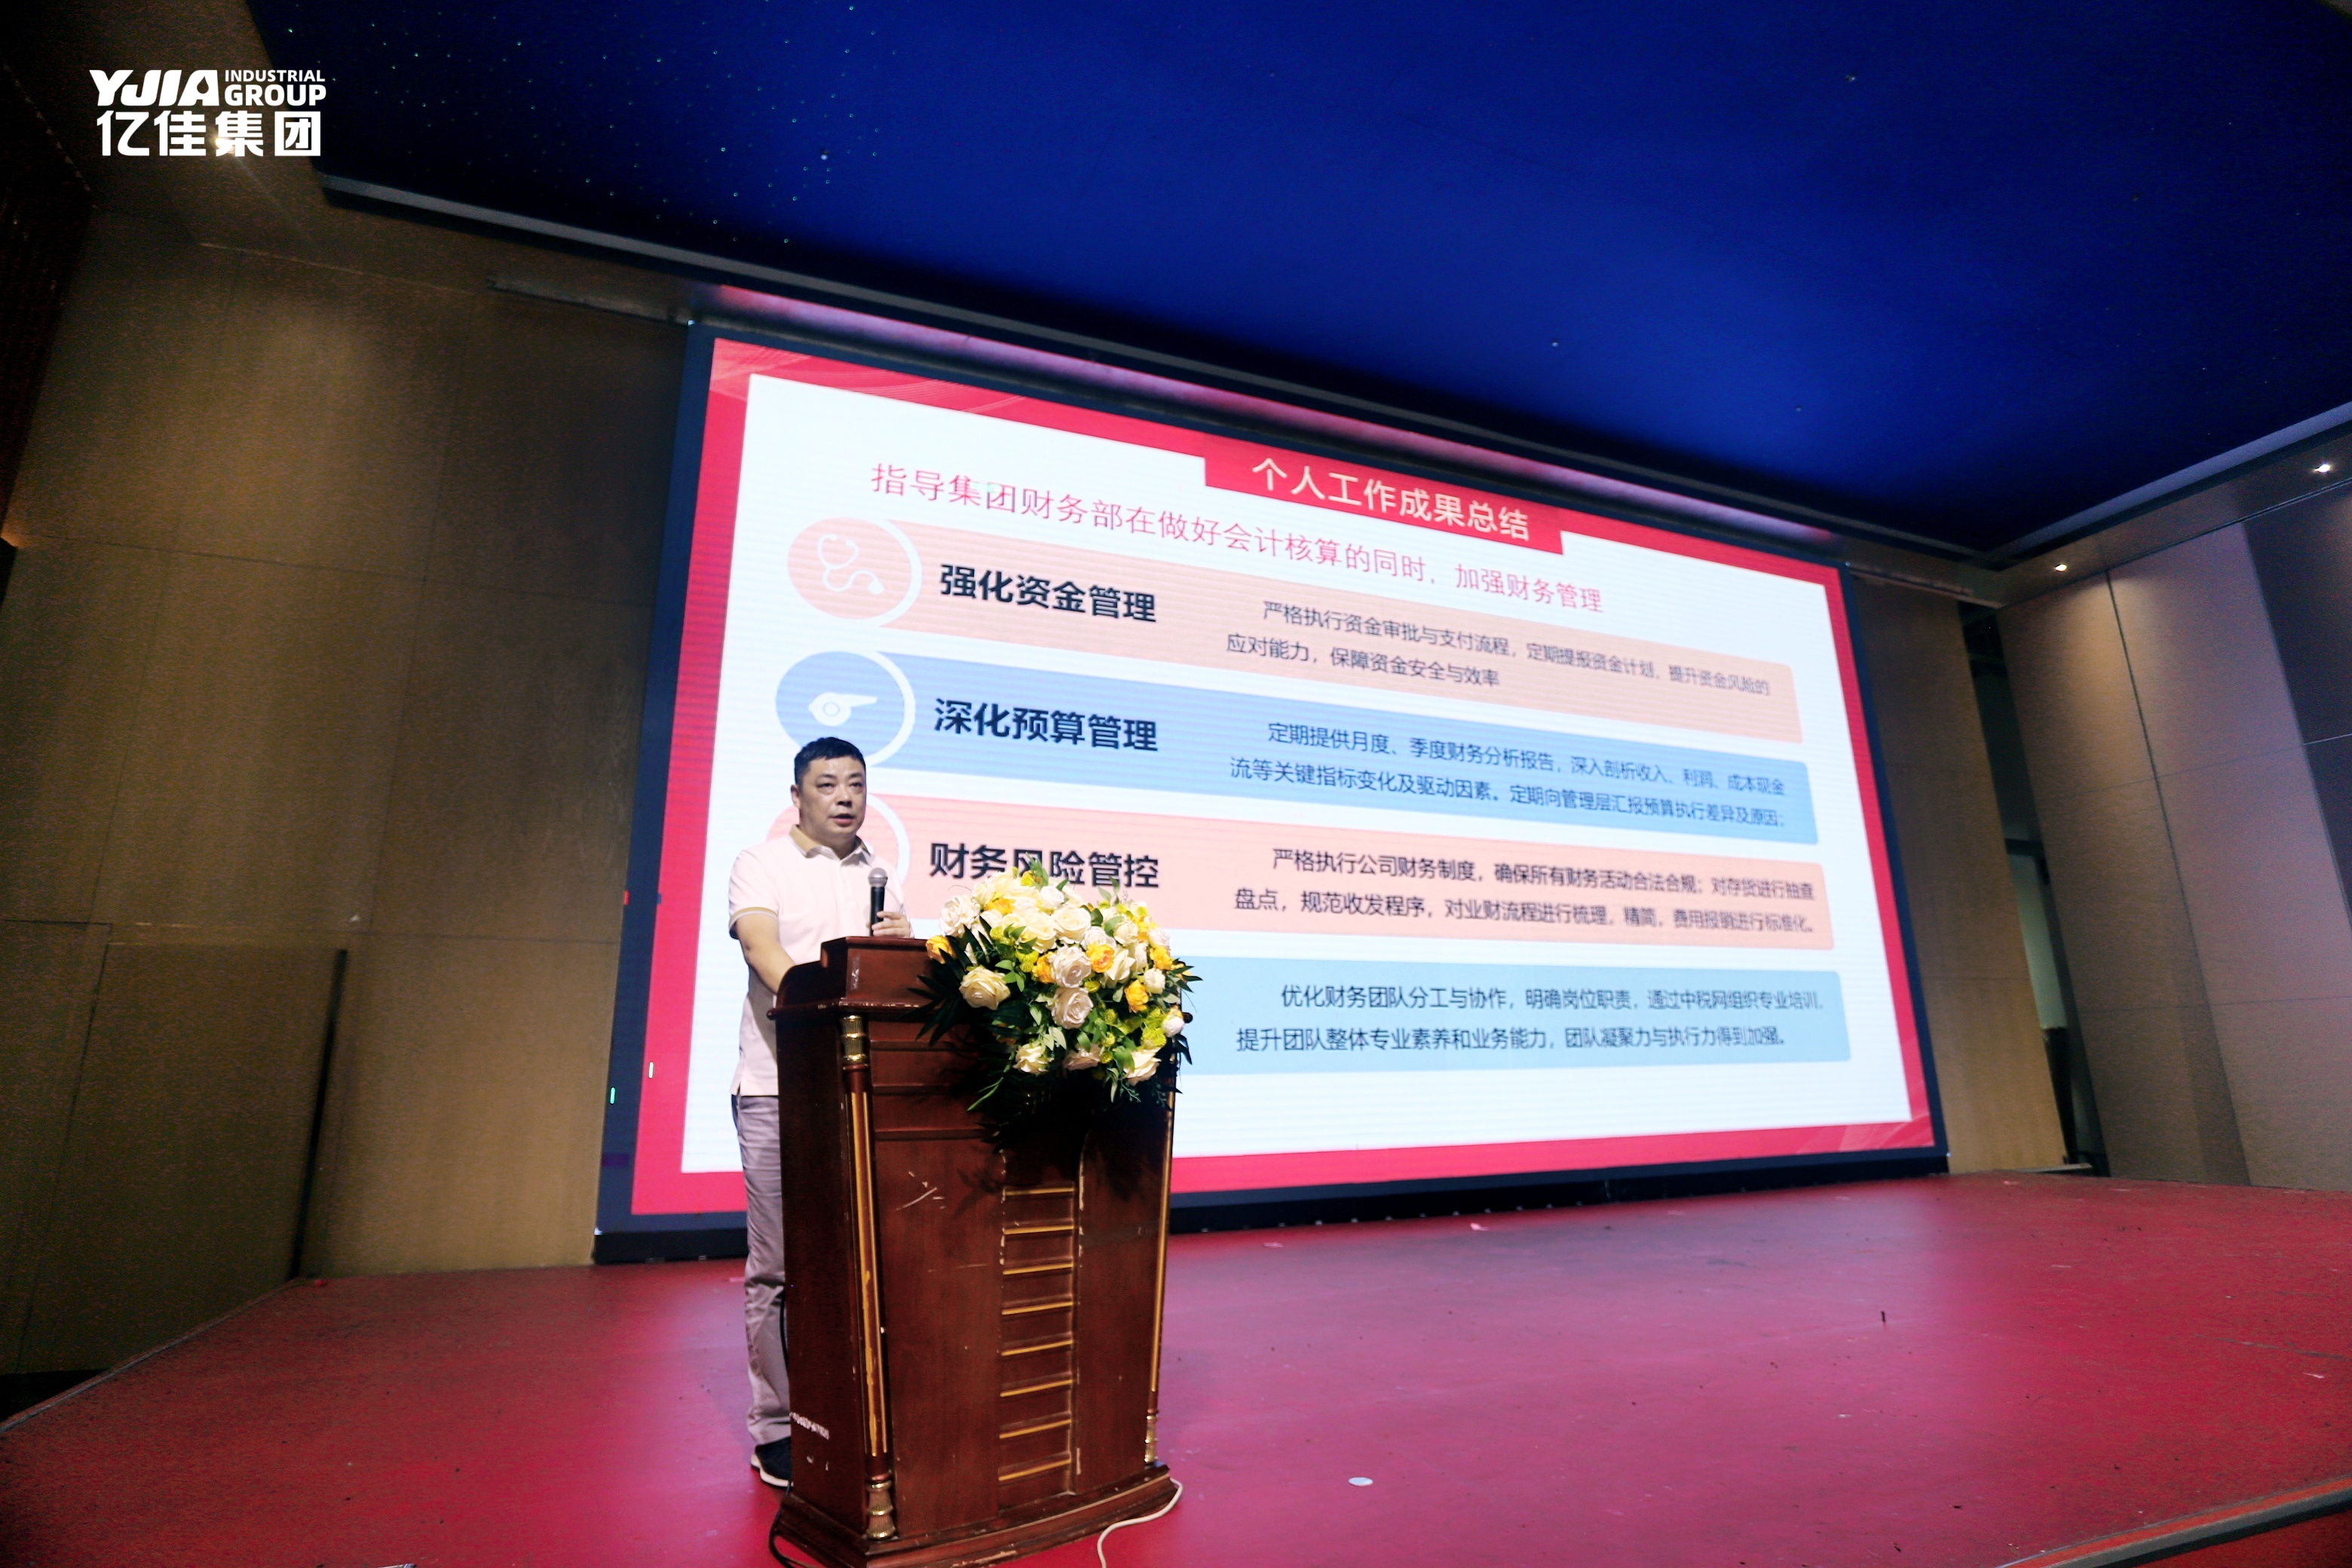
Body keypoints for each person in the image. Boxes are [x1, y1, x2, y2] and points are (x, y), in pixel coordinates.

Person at [726, 735, 908, 1489]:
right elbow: (761, 949)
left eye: (856, 784)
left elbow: (886, 981)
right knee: (776, 1268)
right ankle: (776, 1424)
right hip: (777, 1086)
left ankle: (841, 1408)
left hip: (854, 1092)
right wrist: (818, 1006)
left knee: (852, 1259)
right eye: (828, 784)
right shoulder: (761, 861)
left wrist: (902, 948)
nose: (844, 797)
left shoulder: (876, 873)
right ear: (796, 795)